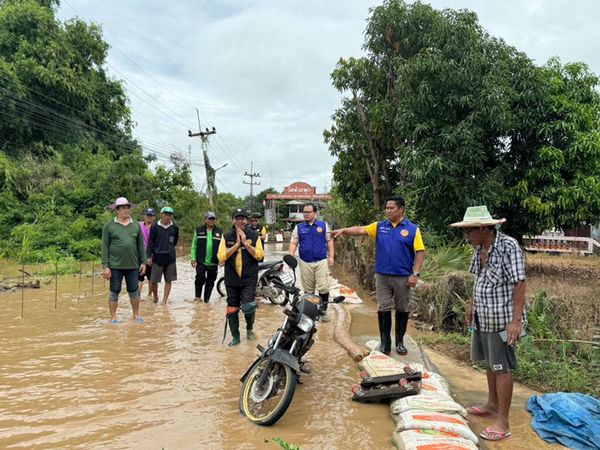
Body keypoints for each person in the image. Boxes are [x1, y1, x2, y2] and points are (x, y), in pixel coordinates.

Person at [450, 205, 526, 442]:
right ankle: (492, 404)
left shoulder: (508, 246)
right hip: (484, 316)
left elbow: (519, 283)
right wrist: (471, 306)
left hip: (502, 320)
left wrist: (515, 322)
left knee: (502, 367)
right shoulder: (480, 248)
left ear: (483, 228)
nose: (467, 236)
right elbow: (478, 279)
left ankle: (503, 421)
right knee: (491, 364)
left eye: (469, 231)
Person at [332, 197, 425, 355]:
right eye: (387, 208)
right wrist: (344, 230)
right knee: (383, 308)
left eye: (391, 208)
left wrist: (415, 274)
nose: (388, 211)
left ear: (401, 209)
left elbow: (420, 252)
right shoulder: (380, 226)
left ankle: (400, 342)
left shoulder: (412, 229)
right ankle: (385, 343)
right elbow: (361, 230)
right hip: (382, 276)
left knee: (402, 308)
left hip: (403, 276)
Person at [218, 208, 264, 346]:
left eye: (243, 218)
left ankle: (249, 329)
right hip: (231, 278)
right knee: (232, 309)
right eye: (237, 218)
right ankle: (236, 337)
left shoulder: (254, 236)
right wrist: (237, 244)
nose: (240, 221)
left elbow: (260, 256)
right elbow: (220, 257)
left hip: (249, 278)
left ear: (247, 220)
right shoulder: (226, 237)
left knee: (248, 306)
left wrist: (245, 244)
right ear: (233, 220)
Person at [101, 197, 147, 324]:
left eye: (128, 208)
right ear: (117, 210)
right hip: (115, 265)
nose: (127, 210)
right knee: (114, 291)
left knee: (134, 290)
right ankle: (113, 317)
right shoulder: (109, 226)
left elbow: (140, 246)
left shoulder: (136, 225)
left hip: (132, 265)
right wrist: (105, 266)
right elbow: (104, 246)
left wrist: (143, 262)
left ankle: (136, 314)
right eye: (123, 208)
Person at [288, 203, 334, 319]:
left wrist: (331, 257)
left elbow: (329, 242)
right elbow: (293, 243)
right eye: (304, 212)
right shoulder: (299, 227)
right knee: (308, 289)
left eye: (308, 212)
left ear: (315, 213)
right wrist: (291, 257)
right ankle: (311, 313)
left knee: (323, 287)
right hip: (305, 262)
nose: (306, 214)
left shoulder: (323, 226)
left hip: (321, 261)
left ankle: (323, 311)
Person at [147, 206, 179, 304]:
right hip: (157, 257)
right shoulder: (155, 227)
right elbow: (150, 243)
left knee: (168, 280)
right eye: (165, 214)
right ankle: (155, 297)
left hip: (170, 258)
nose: (167, 216)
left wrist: (169, 249)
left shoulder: (175, 227)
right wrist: (148, 256)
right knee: (154, 280)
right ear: (161, 215)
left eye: (169, 215)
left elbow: (175, 241)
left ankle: (164, 301)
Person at [190, 211, 223, 302]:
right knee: (200, 278)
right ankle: (197, 297)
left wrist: (222, 259)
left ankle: (206, 300)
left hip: (213, 262)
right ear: (205, 220)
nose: (212, 220)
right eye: (210, 218)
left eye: (213, 219)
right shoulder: (198, 230)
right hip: (201, 261)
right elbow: (194, 245)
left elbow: (222, 247)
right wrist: (193, 257)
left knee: (210, 281)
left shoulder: (219, 232)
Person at [138, 207, 156, 299]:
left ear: (154, 217)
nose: (149, 217)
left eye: (151, 215)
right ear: (144, 216)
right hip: (140, 256)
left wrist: (152, 257)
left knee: (151, 278)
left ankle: (150, 295)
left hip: (151, 256)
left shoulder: (156, 227)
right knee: (139, 276)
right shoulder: (138, 225)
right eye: (147, 215)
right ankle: (137, 296)